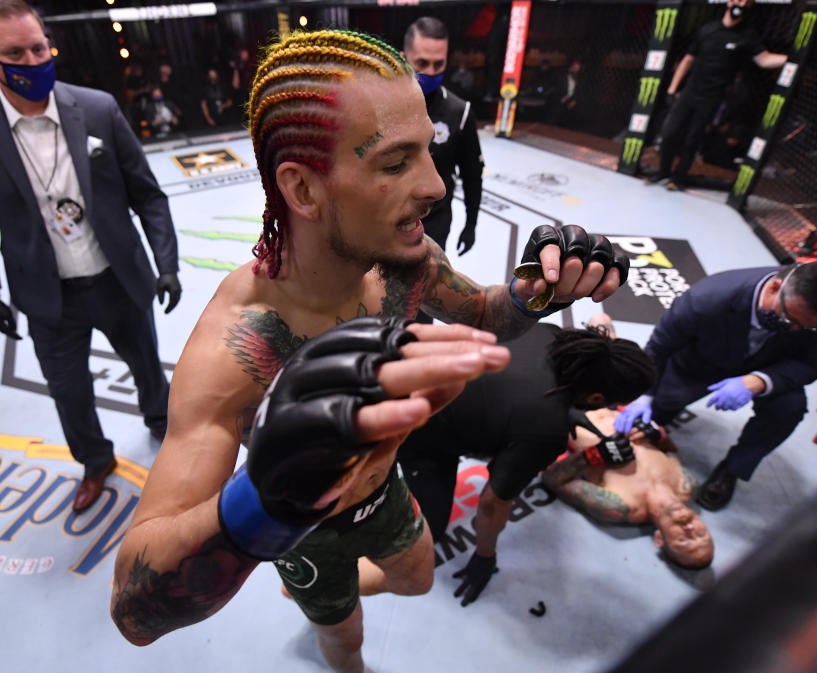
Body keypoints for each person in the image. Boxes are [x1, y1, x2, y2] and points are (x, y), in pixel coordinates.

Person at [110, 29, 626, 673]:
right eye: (394, 162)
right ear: (302, 190)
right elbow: (132, 613)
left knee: (417, 578)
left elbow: (488, 313)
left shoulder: (404, 260)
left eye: (427, 152)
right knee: (346, 640)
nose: (437, 186)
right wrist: (267, 502)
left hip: (386, 483)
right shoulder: (236, 351)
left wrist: (542, 289)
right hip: (307, 532)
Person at [0, 0, 181, 513]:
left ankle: (161, 426)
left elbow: (148, 195)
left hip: (118, 281)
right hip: (48, 297)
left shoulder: (98, 108)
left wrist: (165, 262)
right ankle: (95, 462)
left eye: (38, 47)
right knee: (69, 394)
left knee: (148, 369)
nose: (32, 60)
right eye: (15, 52)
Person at [398, 321, 656, 605]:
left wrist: (563, 410)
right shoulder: (544, 432)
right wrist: (485, 556)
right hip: (418, 432)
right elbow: (492, 503)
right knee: (430, 531)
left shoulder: (550, 334)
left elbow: (522, 380)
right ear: (595, 398)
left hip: (420, 374)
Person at [615, 262, 817, 511]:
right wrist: (645, 393)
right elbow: (660, 346)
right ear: (775, 288)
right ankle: (666, 404)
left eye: (807, 327)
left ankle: (732, 469)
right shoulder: (709, 298)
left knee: (789, 407)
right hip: (705, 357)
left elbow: (809, 365)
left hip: (770, 363)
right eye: (790, 320)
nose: (797, 329)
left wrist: (759, 381)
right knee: (654, 413)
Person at [543, 405, 714, 570]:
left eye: (683, 540)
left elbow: (553, 480)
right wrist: (658, 434)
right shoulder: (687, 485)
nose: (689, 529)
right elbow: (670, 451)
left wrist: (593, 456)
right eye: (701, 535)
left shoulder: (618, 507)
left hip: (564, 412)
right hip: (613, 401)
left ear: (660, 539)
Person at [647, 0, 788, 189]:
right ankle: (663, 171)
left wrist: (793, 58)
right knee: (669, 133)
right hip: (690, 91)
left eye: (747, 2)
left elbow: (764, 60)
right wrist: (672, 89)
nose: (742, 4)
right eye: (739, 0)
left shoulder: (746, 36)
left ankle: (678, 179)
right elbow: (688, 59)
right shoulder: (708, 29)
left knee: (693, 139)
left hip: (712, 97)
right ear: (730, 2)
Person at [402, 17, 483, 259]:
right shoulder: (380, 106)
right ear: (404, 56)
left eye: (439, 64)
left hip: (434, 224)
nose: (430, 72)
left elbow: (472, 175)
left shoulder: (460, 112)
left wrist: (471, 225)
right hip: (385, 220)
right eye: (422, 63)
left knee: (427, 292)